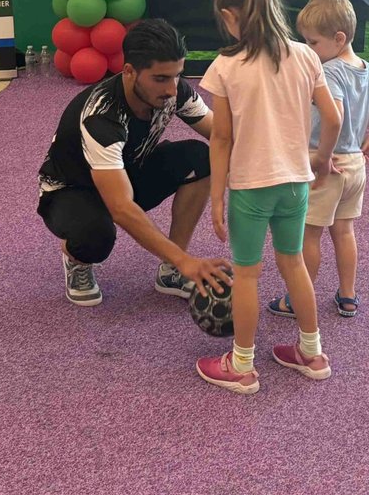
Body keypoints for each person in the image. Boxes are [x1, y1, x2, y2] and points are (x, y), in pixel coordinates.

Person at [197, 0, 341, 395]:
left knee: (247, 274)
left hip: (250, 187)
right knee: (293, 263)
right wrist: (322, 159)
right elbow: (332, 118)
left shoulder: (225, 66)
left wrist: (217, 198)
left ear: (229, 14)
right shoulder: (307, 55)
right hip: (295, 183)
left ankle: (242, 365)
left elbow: (221, 137)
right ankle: (312, 353)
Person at [37, 18, 232, 307]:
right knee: (97, 235)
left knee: (202, 158)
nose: (171, 88)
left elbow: (222, 136)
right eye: (161, 78)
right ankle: (75, 257)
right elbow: (121, 207)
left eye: (177, 75)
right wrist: (187, 261)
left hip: (126, 171)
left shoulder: (174, 92)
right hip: (71, 191)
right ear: (129, 71)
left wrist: (296, 159)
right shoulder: (102, 116)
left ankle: (171, 272)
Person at [267, 0, 369, 320]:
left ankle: (299, 299)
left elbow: (333, 117)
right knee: (344, 232)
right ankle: (348, 295)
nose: (307, 49)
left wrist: (322, 158)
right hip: (355, 164)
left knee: (309, 234)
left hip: (328, 164)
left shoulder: (329, 72)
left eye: (312, 42)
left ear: (338, 38)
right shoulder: (367, 69)